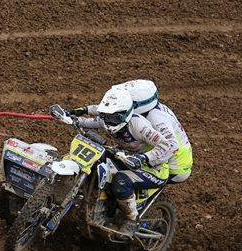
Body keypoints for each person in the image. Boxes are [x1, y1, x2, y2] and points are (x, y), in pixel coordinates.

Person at [53, 87, 175, 235]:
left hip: (153, 168)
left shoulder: (139, 126)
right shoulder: (108, 119)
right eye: (107, 117)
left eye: (114, 118)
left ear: (126, 114)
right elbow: (86, 121)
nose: (109, 123)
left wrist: (144, 157)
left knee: (121, 181)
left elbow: (169, 146)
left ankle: (132, 220)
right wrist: (69, 116)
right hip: (125, 158)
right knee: (98, 162)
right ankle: (98, 204)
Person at [71, 80, 193, 184]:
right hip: (163, 156)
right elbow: (111, 110)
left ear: (135, 104)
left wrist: (144, 158)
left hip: (175, 166)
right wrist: (84, 111)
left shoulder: (155, 117)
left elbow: (172, 145)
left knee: (120, 181)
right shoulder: (149, 110)